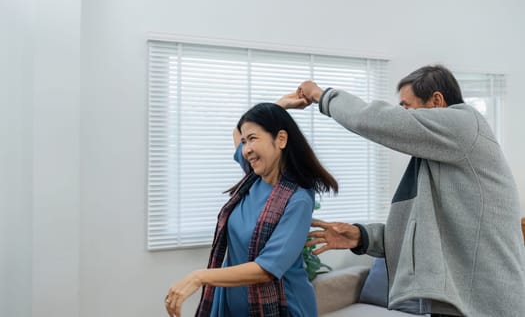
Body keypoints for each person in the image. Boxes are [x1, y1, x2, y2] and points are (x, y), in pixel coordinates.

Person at [280, 64, 525, 317]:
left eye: (407, 107)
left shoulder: (465, 124)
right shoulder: (438, 159)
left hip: (488, 304)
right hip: (458, 302)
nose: (404, 116)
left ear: (437, 101)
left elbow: (378, 121)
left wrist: (321, 95)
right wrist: (362, 237)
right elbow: (423, 232)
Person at [164, 102, 338, 317]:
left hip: (284, 307)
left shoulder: (298, 198)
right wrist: (278, 106)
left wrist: (199, 276)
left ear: (281, 139)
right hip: (230, 302)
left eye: (253, 139)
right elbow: (237, 132)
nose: (245, 149)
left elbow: (267, 268)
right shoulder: (254, 175)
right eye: (244, 142)